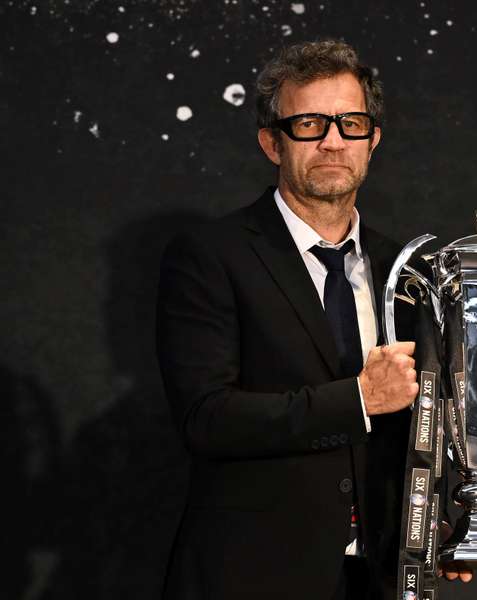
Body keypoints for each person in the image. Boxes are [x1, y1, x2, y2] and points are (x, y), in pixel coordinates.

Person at [156, 40, 418, 600]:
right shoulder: (211, 256)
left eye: (350, 123)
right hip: (251, 576)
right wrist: (360, 400)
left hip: (382, 577)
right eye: (308, 124)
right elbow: (206, 418)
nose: (332, 141)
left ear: (372, 140)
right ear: (271, 143)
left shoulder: (406, 268)